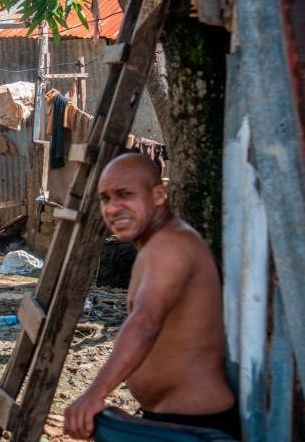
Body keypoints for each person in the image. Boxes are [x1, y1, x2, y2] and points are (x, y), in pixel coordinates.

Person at [64, 153, 240, 440]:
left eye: (125, 194)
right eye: (105, 198)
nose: (112, 208)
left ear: (159, 195)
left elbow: (145, 321)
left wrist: (94, 394)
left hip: (195, 426)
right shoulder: (160, 244)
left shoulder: (170, 245)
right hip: (171, 421)